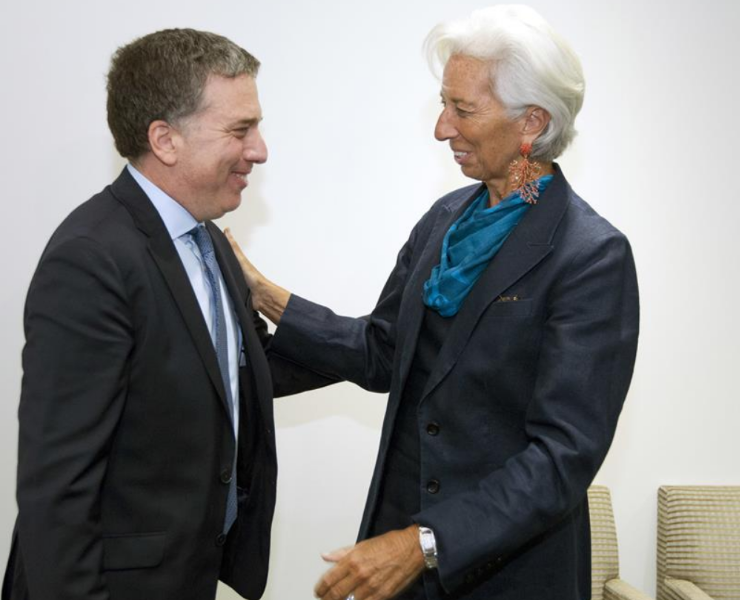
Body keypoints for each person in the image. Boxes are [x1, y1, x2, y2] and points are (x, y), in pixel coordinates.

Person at [227, 5, 640, 600]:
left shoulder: (590, 257)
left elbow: (561, 458)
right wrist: (266, 296)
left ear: (532, 122)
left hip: (506, 574)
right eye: (444, 105)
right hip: (402, 554)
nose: (442, 128)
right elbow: (383, 351)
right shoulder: (446, 219)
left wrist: (423, 542)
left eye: (462, 110)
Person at [1, 28, 328, 600]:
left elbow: (239, 370)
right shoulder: (92, 258)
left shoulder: (208, 240)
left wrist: (389, 345)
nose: (260, 150)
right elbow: (58, 489)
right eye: (240, 130)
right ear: (165, 139)